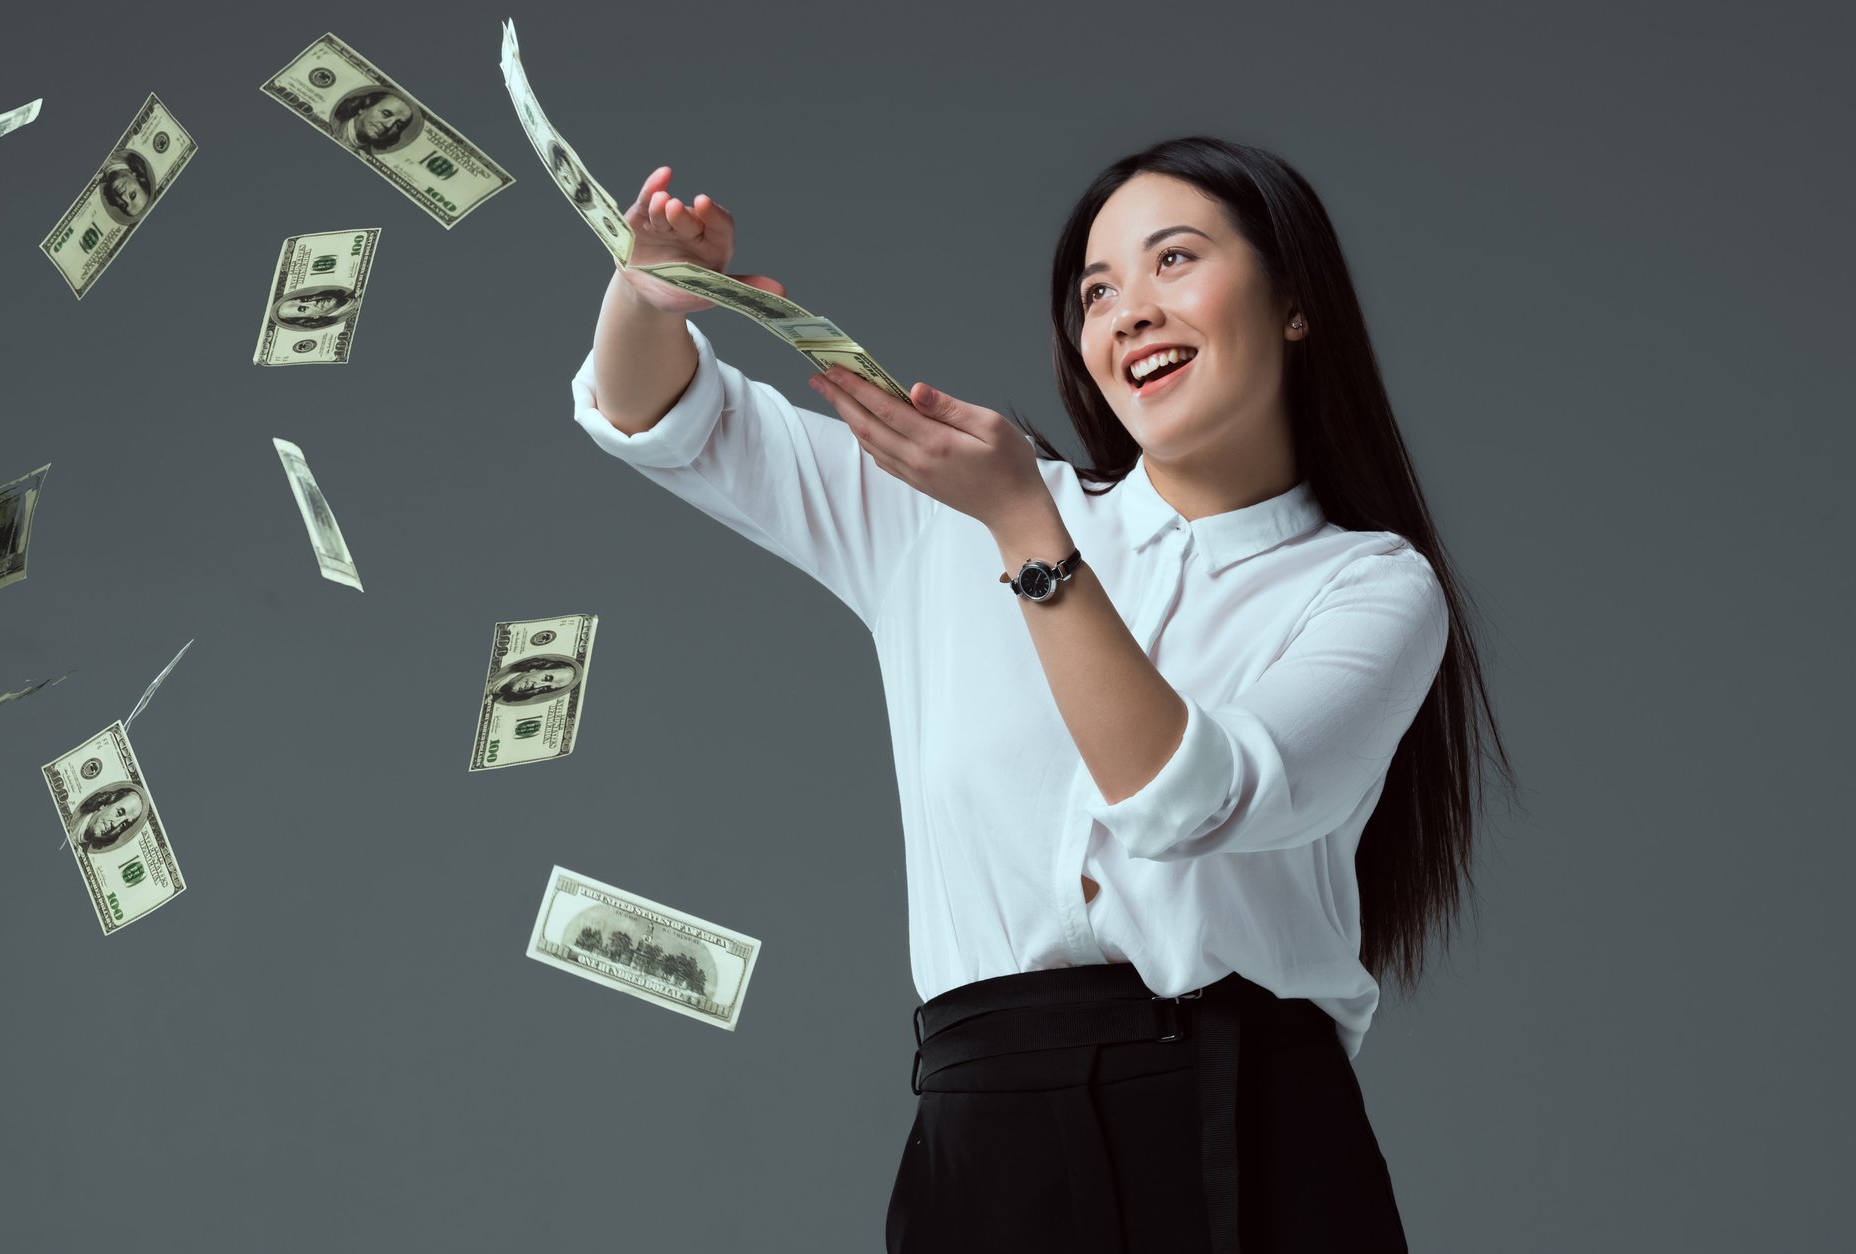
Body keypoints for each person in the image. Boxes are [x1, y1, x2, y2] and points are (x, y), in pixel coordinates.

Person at [571, 137, 1515, 1253]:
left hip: (1250, 1125)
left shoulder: (1365, 585)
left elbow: (1188, 797)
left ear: (1295, 300)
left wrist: (1025, 530)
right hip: (985, 1129)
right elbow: (671, 424)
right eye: (1096, 290)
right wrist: (646, 299)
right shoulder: (944, 517)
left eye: (1173, 262)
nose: (1128, 313)